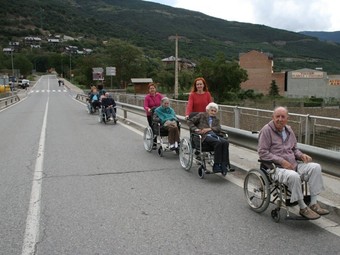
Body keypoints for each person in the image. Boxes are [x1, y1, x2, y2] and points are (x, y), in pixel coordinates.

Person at [258, 106, 329, 220]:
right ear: (273, 117)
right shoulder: (266, 130)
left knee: (316, 167)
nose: (280, 119)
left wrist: (301, 155)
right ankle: (302, 207)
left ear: (287, 118)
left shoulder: (289, 130)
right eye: (277, 116)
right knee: (294, 176)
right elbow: (262, 152)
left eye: (283, 117)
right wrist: (282, 161)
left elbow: (294, 148)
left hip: (293, 164)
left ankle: (313, 203)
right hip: (275, 167)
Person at [188, 102, 232, 175]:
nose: (213, 112)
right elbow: (190, 122)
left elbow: (218, 128)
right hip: (203, 136)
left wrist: (209, 129)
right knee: (218, 142)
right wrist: (196, 129)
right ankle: (217, 165)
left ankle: (225, 164)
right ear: (208, 110)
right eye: (212, 110)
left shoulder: (216, 119)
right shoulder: (201, 115)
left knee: (225, 142)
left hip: (213, 134)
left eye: (215, 111)